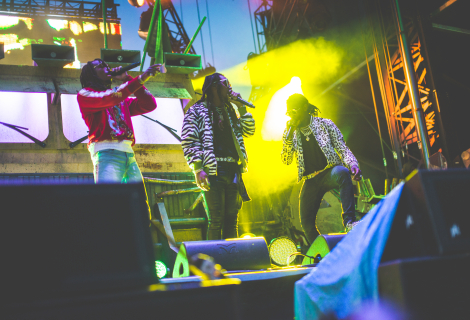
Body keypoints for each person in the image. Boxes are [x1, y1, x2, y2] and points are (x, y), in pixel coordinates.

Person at [77, 59, 161, 216]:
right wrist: (140, 78)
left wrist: (127, 79)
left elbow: (149, 104)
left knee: (139, 207)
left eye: (106, 65)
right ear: (91, 73)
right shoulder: (85, 95)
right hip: (107, 153)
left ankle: (135, 238)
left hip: (128, 154)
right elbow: (111, 97)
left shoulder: (120, 99)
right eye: (101, 66)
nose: (106, 67)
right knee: (109, 205)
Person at [181, 73, 255, 240]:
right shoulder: (197, 110)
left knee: (232, 219)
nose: (229, 87)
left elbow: (249, 131)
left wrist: (241, 107)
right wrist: (198, 168)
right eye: (225, 83)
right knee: (216, 219)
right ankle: (215, 261)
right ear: (214, 86)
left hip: (233, 168)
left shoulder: (230, 110)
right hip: (213, 169)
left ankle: (233, 261)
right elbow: (188, 139)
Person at [281, 94, 362, 243]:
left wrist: (353, 164)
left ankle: (349, 222)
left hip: (329, 172)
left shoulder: (325, 124)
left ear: (305, 108)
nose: (292, 116)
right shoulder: (290, 133)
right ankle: (321, 250)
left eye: (294, 111)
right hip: (310, 180)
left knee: (343, 173)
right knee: (305, 222)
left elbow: (342, 147)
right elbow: (286, 160)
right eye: (289, 113)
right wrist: (287, 138)